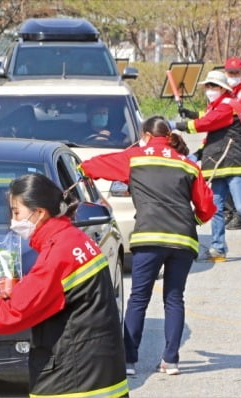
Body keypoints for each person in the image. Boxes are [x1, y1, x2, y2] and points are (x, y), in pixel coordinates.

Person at [0, 173, 129, 397]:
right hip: (98, 368)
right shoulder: (75, 239)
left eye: (17, 212)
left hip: (75, 378)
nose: (13, 221)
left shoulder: (58, 253)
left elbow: (14, 312)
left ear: (39, 213)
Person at [79, 116, 216, 376]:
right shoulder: (187, 164)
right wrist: (194, 220)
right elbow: (206, 207)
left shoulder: (136, 157)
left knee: (139, 298)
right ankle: (171, 361)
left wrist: (84, 170)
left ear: (145, 134)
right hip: (183, 240)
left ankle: (129, 361)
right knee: (174, 299)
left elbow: (92, 166)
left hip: (149, 237)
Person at [171, 70, 241, 261]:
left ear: (222, 88)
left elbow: (207, 122)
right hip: (218, 163)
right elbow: (210, 128)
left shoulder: (229, 106)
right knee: (217, 208)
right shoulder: (218, 106)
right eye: (207, 87)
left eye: (212, 86)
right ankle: (218, 248)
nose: (209, 90)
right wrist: (197, 154)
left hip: (233, 162)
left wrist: (179, 125)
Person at [220, 57, 241, 230]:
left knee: (237, 181)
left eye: (236, 73)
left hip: (239, 143)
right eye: (230, 72)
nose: (233, 75)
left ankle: (239, 216)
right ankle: (228, 212)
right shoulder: (223, 92)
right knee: (223, 178)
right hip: (223, 143)